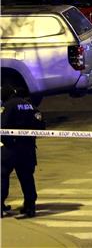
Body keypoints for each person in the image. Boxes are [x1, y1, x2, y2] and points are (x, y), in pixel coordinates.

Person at [1, 85, 45, 219]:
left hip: (10, 148)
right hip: (28, 148)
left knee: (2, 176)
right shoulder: (30, 105)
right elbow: (41, 125)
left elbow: (2, 125)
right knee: (27, 178)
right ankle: (30, 206)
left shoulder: (8, 106)